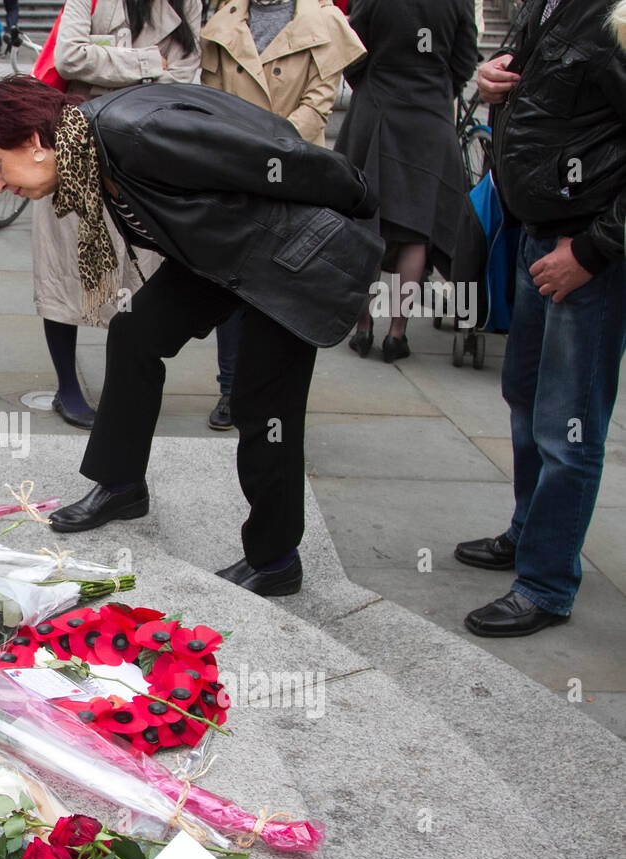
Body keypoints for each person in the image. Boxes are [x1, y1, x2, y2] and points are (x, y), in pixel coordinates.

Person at [0, 76, 383, 595]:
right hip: (219, 250)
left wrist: (359, 197)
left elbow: (273, 151)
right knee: (134, 332)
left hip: (284, 256)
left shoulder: (133, 132)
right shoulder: (88, 146)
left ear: (32, 140)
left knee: (262, 406)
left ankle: (275, 563)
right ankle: (121, 486)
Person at [454, 0, 626, 638]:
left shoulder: (614, 17)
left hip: (585, 249)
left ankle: (546, 584)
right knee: (524, 393)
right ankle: (529, 535)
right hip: (539, 231)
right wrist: (493, 81)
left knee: (568, 424)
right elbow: (549, 97)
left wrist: (590, 252)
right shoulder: (551, 6)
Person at [33, 0, 202, 429]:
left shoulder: (188, 3)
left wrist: (106, 65)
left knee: (138, 269)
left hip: (146, 147)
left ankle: (121, 384)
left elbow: (184, 75)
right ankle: (66, 387)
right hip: (76, 145)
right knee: (65, 267)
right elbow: (68, 55)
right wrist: (146, 62)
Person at [200, 0, 364, 429]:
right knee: (232, 285)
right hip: (233, 172)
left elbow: (317, 107)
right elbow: (211, 103)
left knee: (283, 288)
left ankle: (271, 395)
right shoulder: (225, 19)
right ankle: (230, 388)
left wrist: (269, 151)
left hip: (296, 174)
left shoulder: (324, 20)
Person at [335, 0, 477, 363]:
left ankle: (363, 328)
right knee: (416, 230)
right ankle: (397, 334)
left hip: (377, 105)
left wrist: (368, 84)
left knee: (368, 222)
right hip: (429, 115)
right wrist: (437, 89)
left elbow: (352, 47)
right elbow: (464, 60)